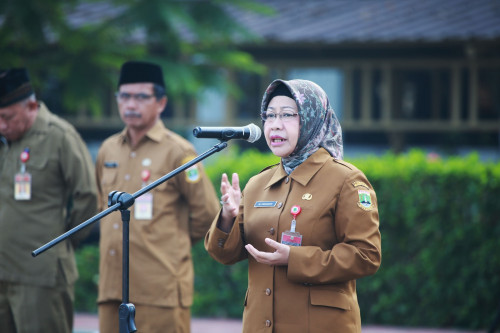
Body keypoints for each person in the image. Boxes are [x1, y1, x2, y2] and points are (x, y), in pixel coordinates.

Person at [205, 79, 382, 333]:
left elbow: (367, 256)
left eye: (288, 115)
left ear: (312, 119)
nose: (275, 124)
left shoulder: (346, 180)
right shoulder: (258, 183)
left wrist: (294, 258)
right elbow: (224, 254)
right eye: (269, 115)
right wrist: (227, 217)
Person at [96, 60, 220, 333]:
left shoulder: (179, 151)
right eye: (124, 96)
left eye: (141, 97)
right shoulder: (108, 150)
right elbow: (100, 207)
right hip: (111, 289)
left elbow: (208, 214)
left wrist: (169, 244)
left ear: (161, 103)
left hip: (159, 290)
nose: (130, 104)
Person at [0, 68, 98, 332]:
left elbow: (87, 196)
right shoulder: (4, 140)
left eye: (7, 117)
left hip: (40, 275)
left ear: (31, 106)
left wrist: (63, 243)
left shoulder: (60, 136)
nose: (2, 126)